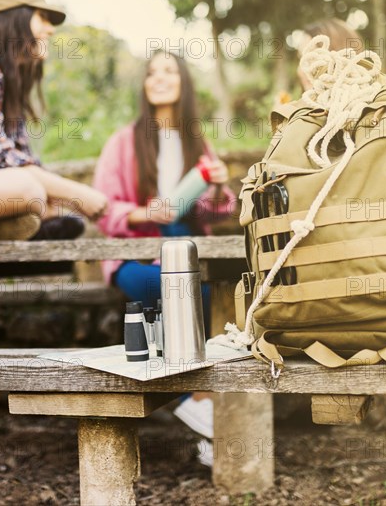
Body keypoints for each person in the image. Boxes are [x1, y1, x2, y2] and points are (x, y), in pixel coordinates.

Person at [94, 50, 235, 464]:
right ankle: (197, 399)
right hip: (137, 257)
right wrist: (143, 213)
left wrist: (217, 190)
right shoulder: (124, 142)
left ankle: (203, 414)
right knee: (186, 290)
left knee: (200, 286)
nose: (159, 78)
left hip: (186, 249)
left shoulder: (198, 141)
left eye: (169, 71)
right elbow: (104, 209)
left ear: (183, 82)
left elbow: (211, 212)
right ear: (143, 85)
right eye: (151, 72)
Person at [0, 0, 108, 241]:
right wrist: (78, 194)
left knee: (41, 200)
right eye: (41, 18)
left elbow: (21, 158)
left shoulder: (8, 84)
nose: (50, 30)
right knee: (26, 189)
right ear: (13, 20)